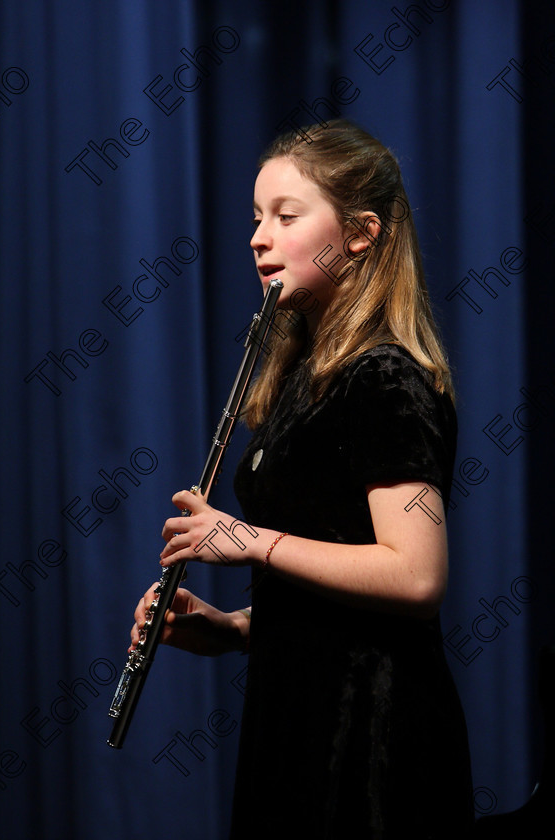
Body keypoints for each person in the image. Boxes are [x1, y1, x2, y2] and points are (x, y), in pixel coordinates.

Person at [131, 119, 475, 838]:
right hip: (296, 724)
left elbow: (414, 577)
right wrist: (230, 630)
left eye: (287, 217)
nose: (260, 236)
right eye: (256, 218)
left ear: (360, 233)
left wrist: (250, 541)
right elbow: (336, 598)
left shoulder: (386, 380)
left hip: (374, 740)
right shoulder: (301, 383)